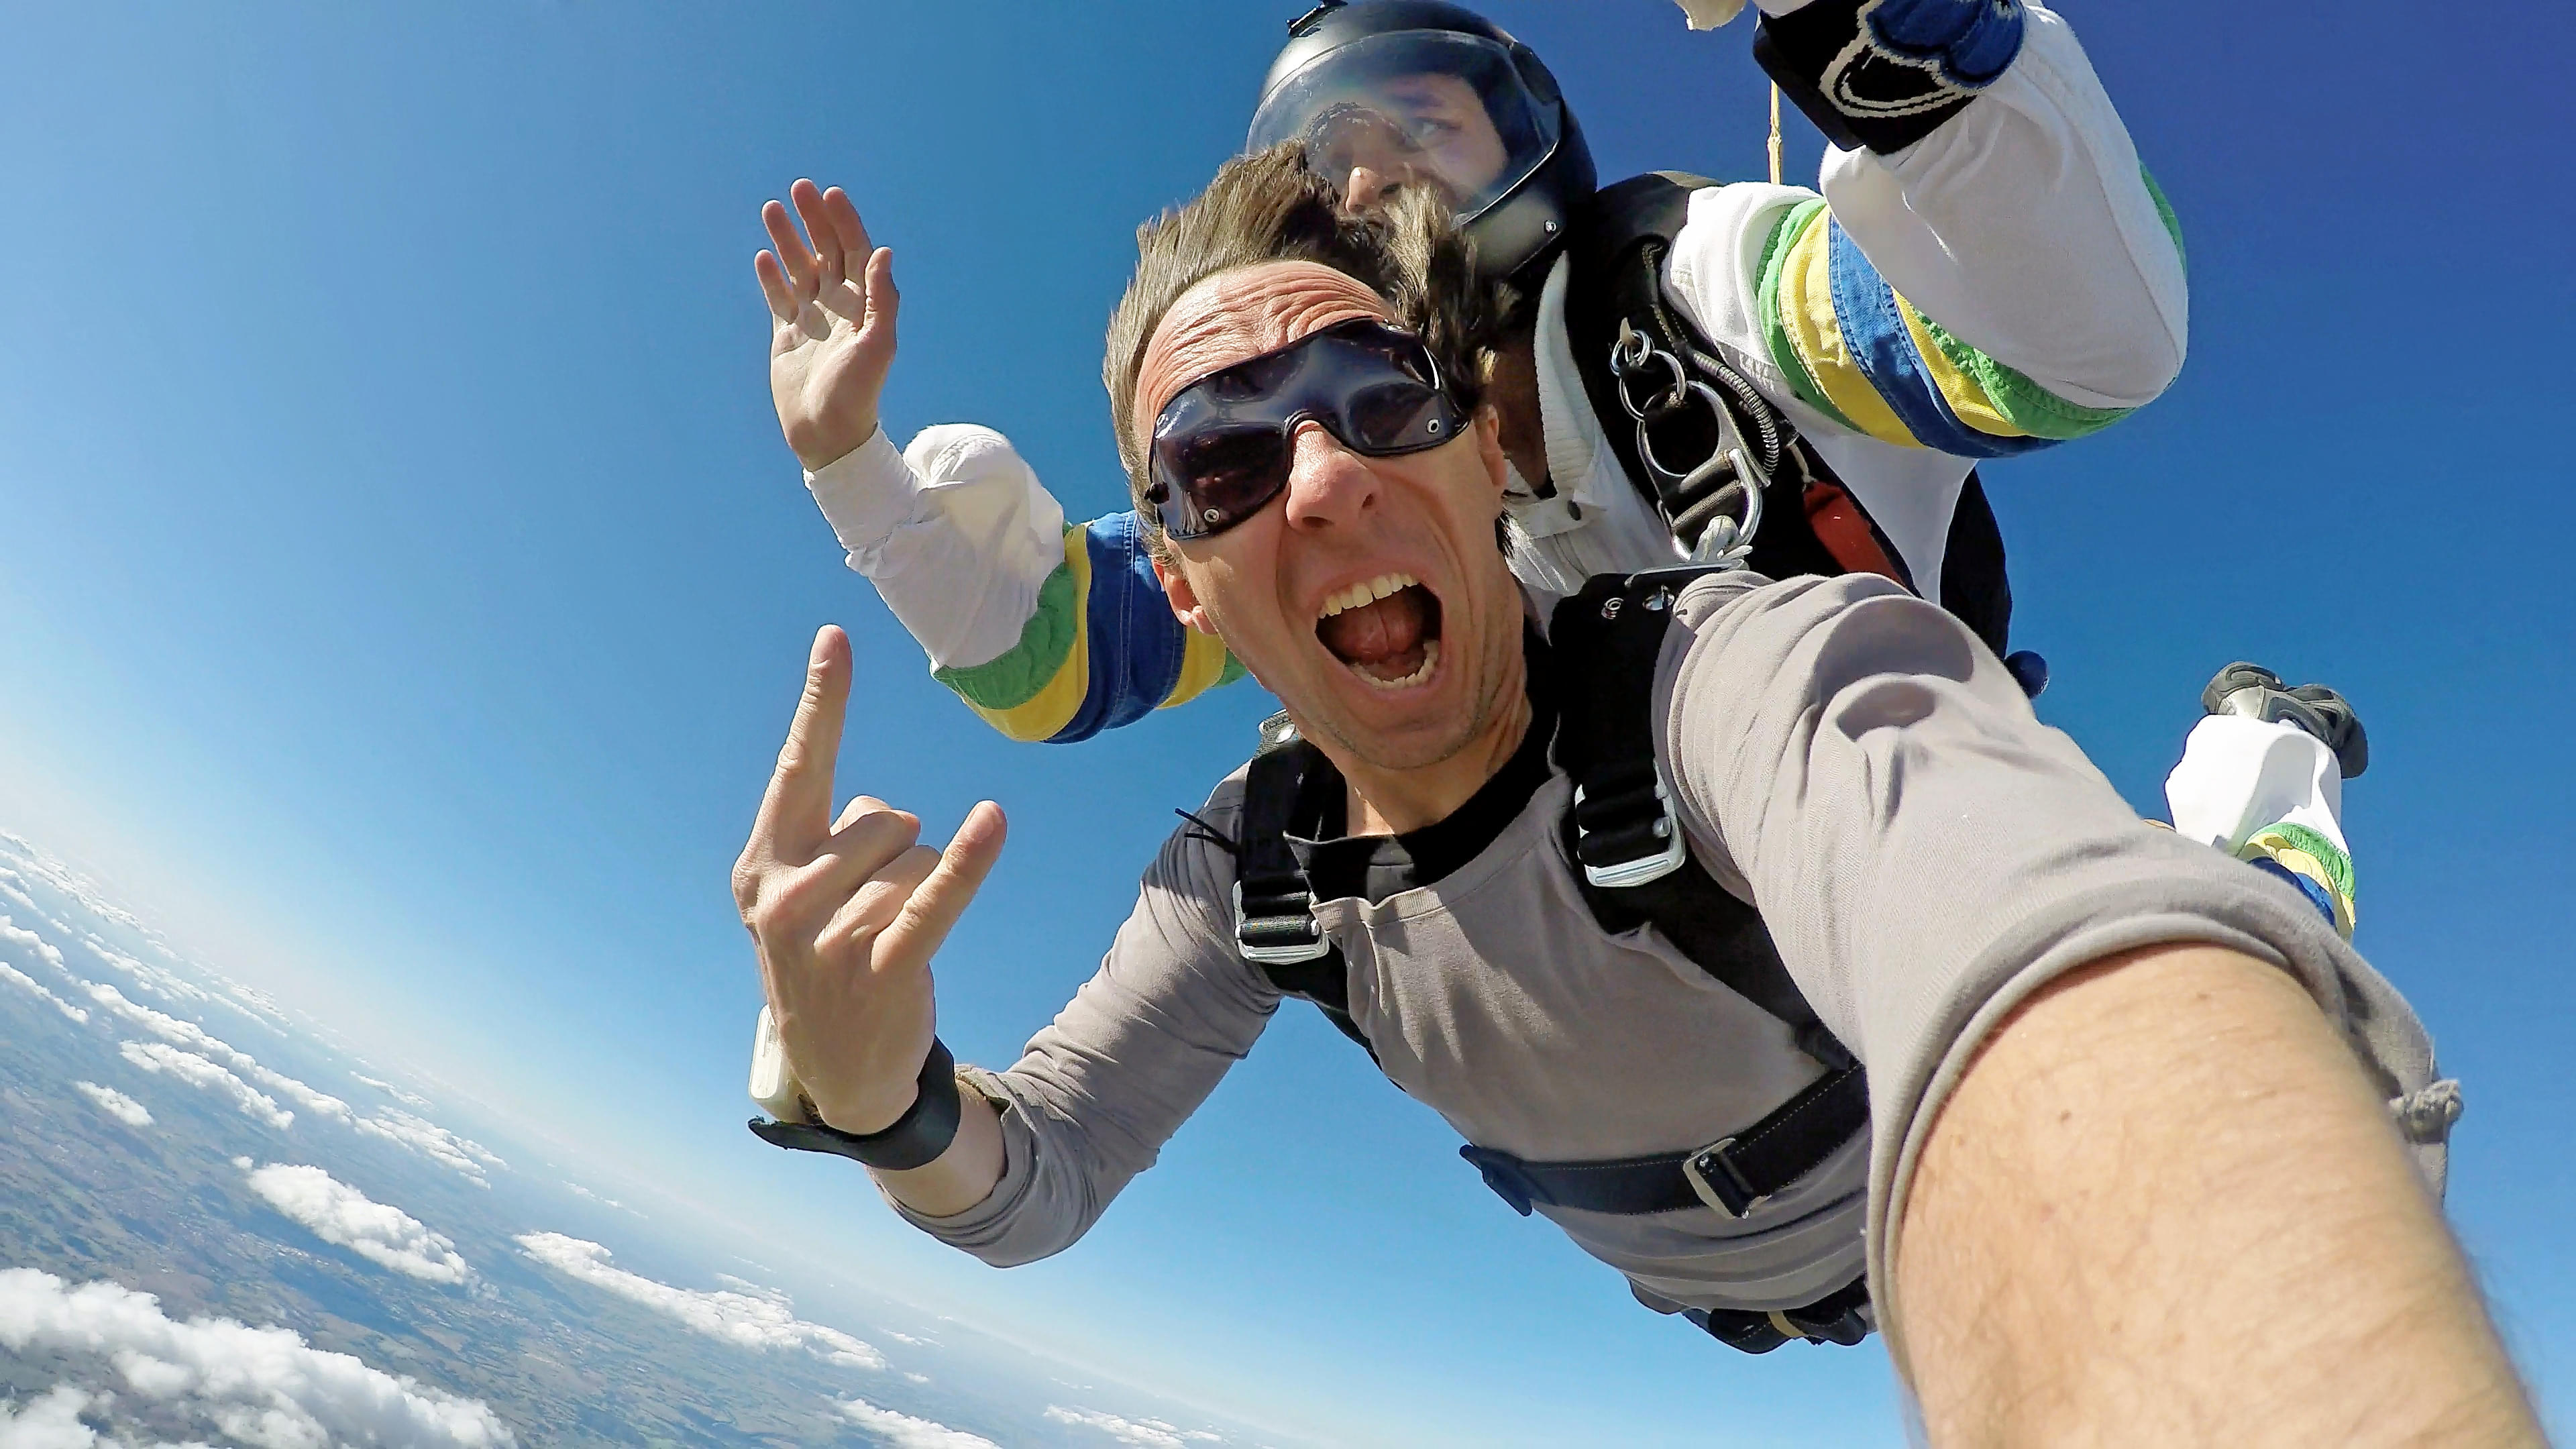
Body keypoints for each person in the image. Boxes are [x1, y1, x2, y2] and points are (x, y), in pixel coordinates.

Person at [732, 148, 2536, 1440]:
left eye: (1381, 392)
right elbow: (1033, 1175)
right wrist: (885, 1100)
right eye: (1219, 456)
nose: (1326, 478)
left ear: (1480, 450)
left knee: (2254, 908)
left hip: (1910, 1222)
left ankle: (2265, 746)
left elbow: (2048, 951)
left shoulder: (1725, 678)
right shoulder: (1251, 875)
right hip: (1780, 1286)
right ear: (1181, 582)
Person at [757, 0, 2365, 936]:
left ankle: (2266, 748)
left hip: (1923, 789)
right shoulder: (1326, 482)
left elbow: (2072, 343)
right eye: (1333, 160)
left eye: (1424, 128)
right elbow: (1066, 663)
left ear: (1530, 146)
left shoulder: (1694, 289)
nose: (1377, 174)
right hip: (1725, 914)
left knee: (2258, 960)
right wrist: (856, 470)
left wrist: (1881, 35)